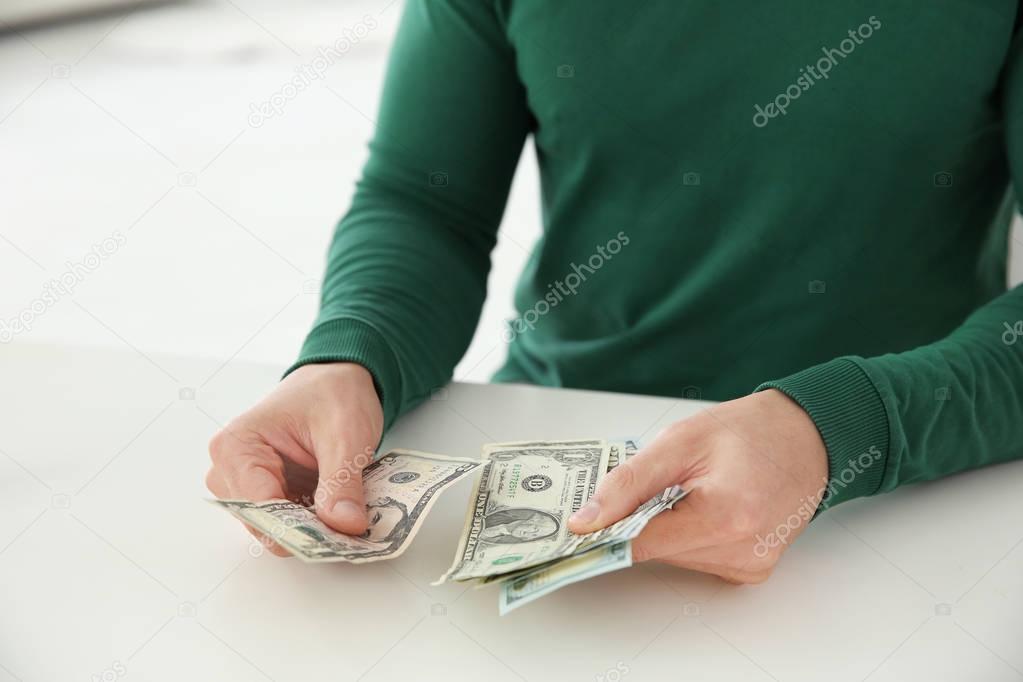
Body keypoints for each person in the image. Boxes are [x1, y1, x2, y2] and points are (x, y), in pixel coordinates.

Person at [206, 1, 1023, 582]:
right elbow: (427, 202)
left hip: (900, 504)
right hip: (554, 448)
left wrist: (841, 426)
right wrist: (351, 357)